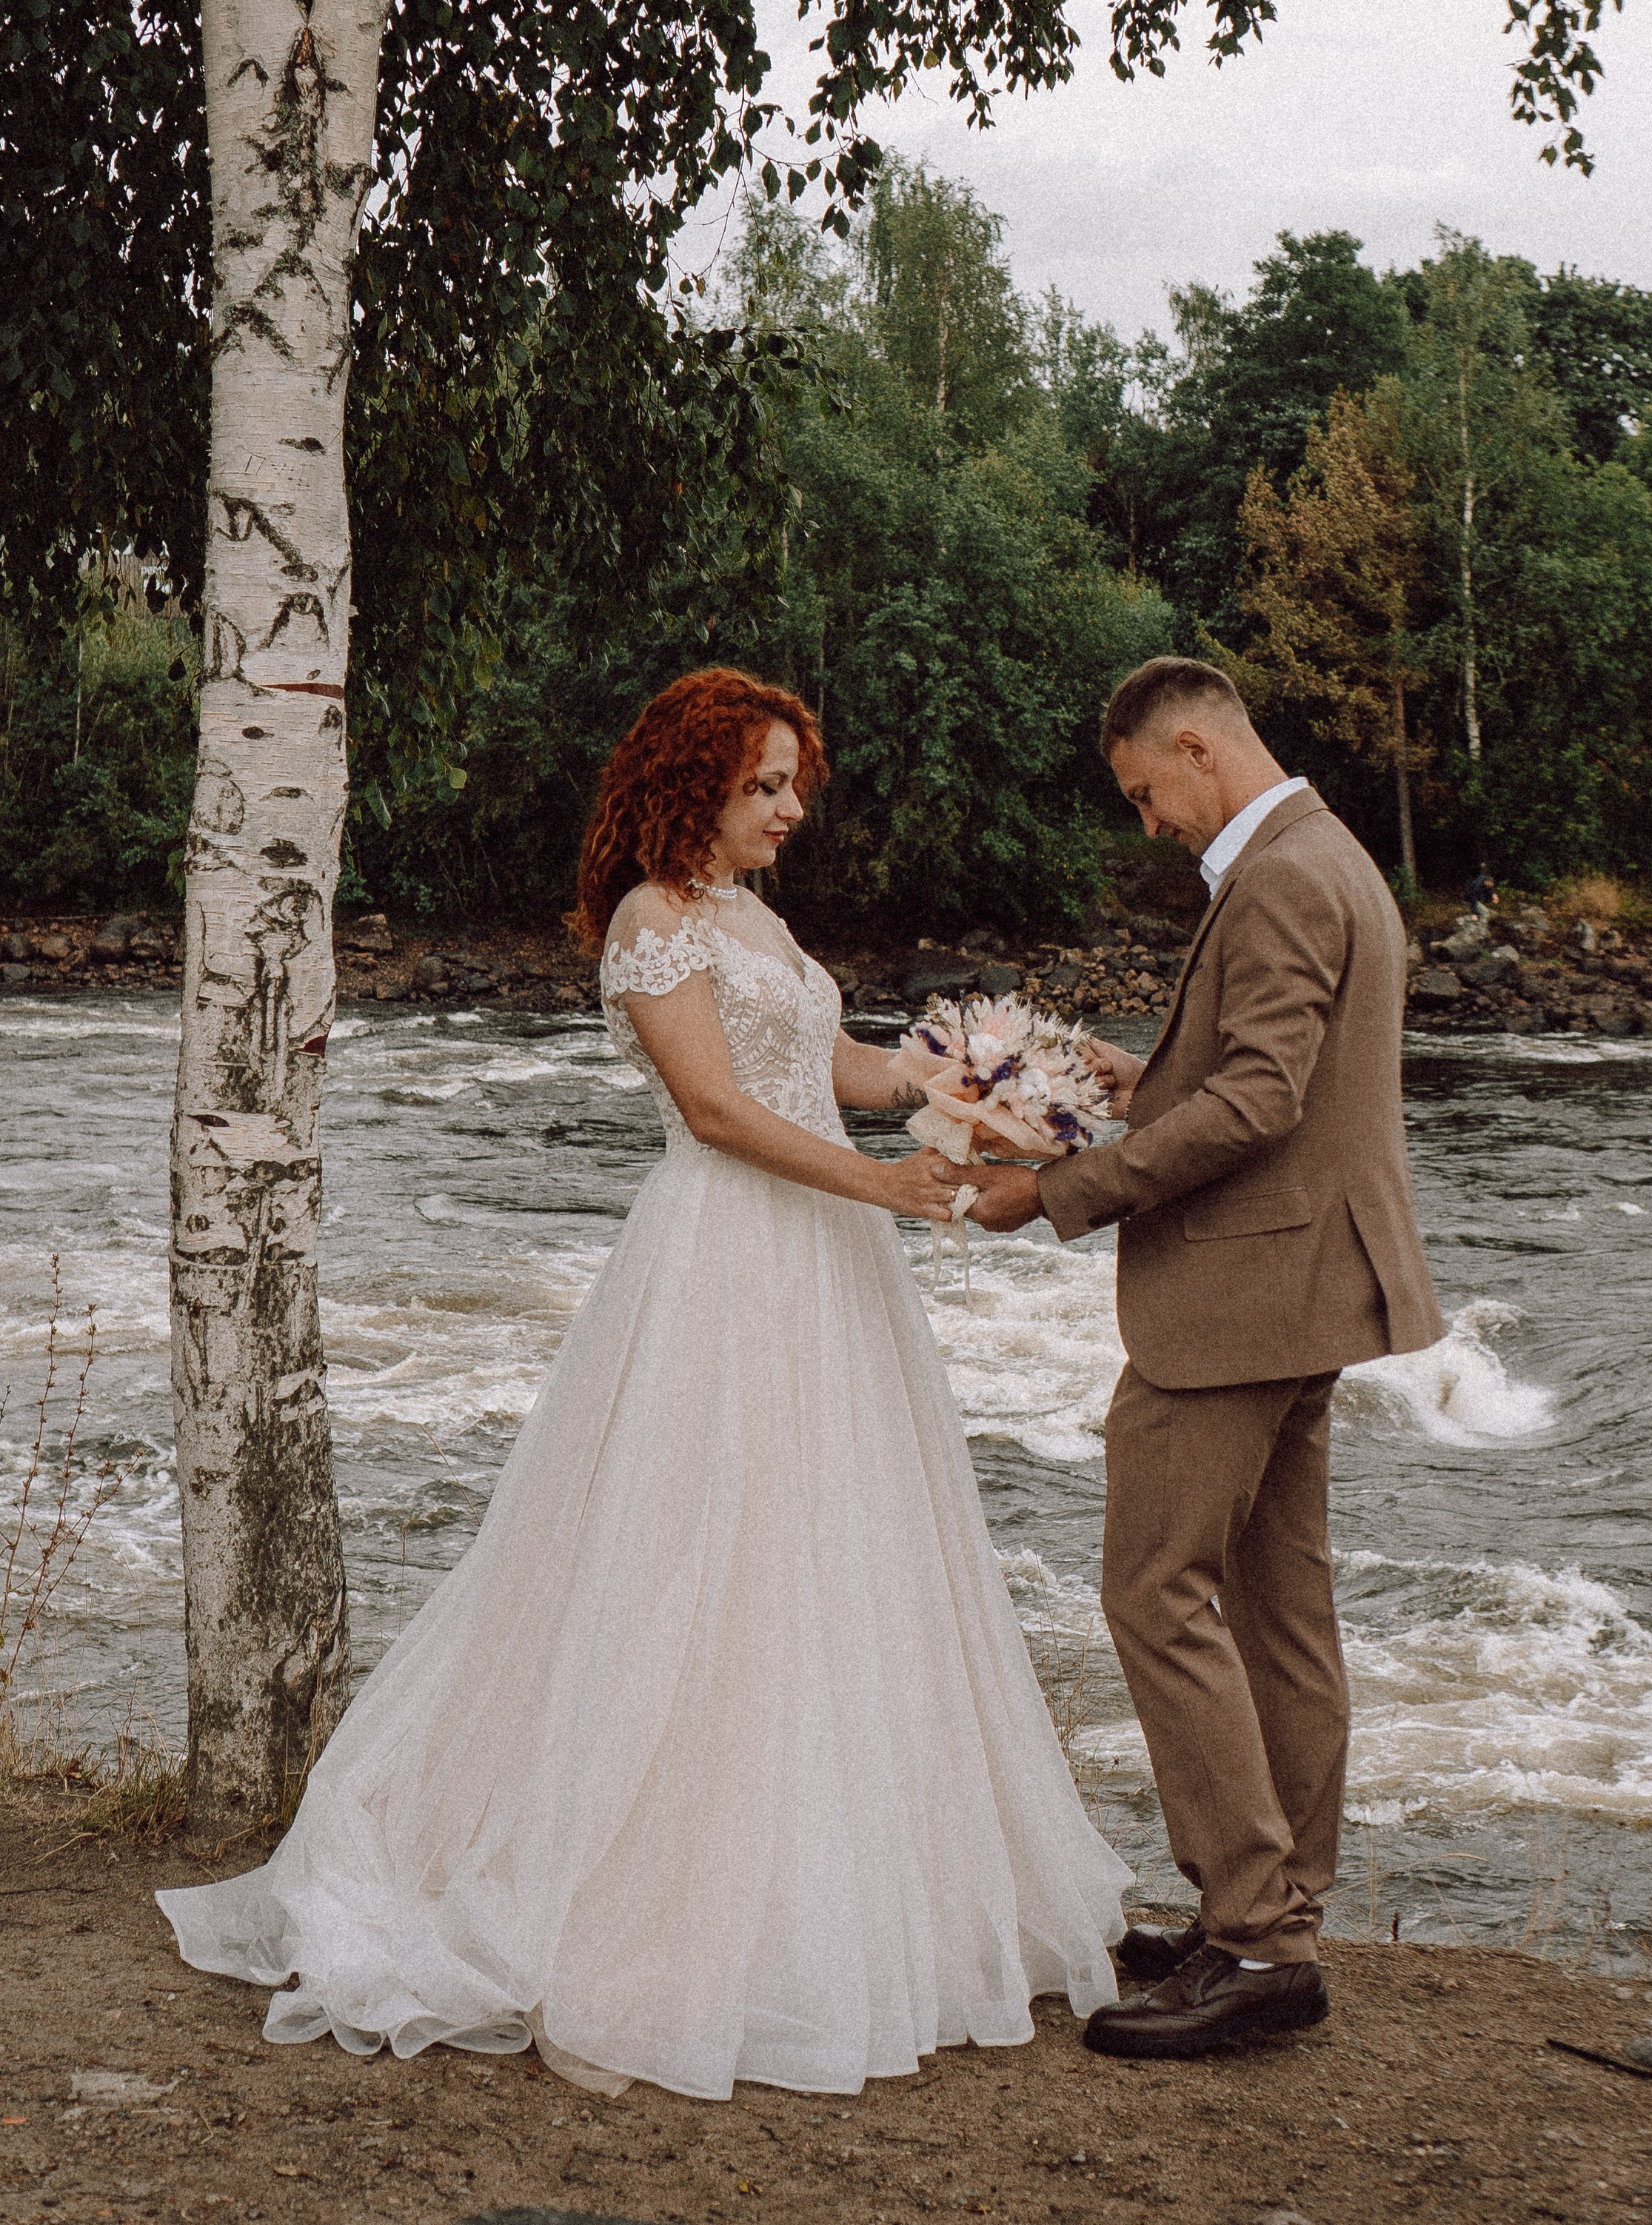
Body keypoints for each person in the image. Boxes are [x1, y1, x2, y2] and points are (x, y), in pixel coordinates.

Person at [159, 668, 1127, 2099]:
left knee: (837, 1552)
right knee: (692, 1550)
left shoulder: (752, 919)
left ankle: (845, 1888)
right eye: (768, 786)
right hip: (726, 1255)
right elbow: (720, 1111)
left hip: (830, 1269)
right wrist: (883, 1182)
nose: (793, 809)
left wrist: (987, 1084)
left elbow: (831, 1061)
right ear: (696, 785)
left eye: (797, 783)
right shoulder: (652, 923)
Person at [946, 656, 1444, 2061]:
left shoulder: (1280, 872)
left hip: (1243, 1298)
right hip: (1313, 1286)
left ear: (1192, 745)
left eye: (1144, 792)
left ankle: (1256, 1939)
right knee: (1283, 1611)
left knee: (1153, 1594)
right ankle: (1271, 1912)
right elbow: (1255, 1072)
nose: (1147, 821)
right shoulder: (1327, 851)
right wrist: (1132, 1074)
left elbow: (1263, 1097)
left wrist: (1056, 1189)